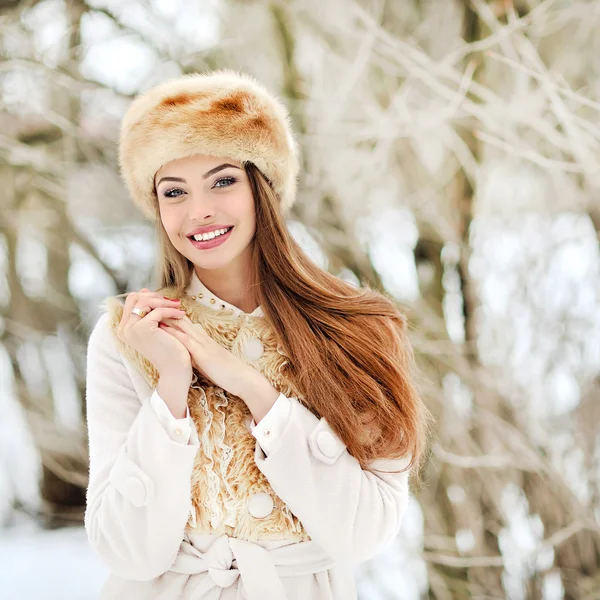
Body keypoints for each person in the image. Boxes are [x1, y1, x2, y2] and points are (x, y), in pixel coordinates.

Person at [84, 69, 431, 600]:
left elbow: (365, 532)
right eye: (173, 192)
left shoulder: (357, 328)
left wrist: (258, 393)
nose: (199, 211)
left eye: (222, 181)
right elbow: (128, 553)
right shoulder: (127, 338)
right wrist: (171, 389)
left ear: (261, 187)